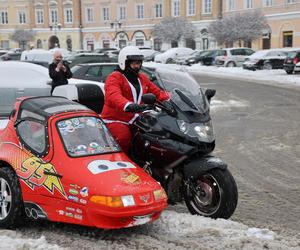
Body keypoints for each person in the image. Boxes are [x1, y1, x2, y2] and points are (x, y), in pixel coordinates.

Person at [101, 46, 170, 154]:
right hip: (115, 118)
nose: (137, 66)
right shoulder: (114, 77)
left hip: (136, 117)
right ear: (124, 62)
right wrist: (128, 105)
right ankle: (120, 161)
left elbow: (157, 92)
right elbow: (113, 95)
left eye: (139, 63)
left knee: (156, 134)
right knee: (123, 137)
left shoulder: (141, 78)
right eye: (133, 63)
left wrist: (171, 99)